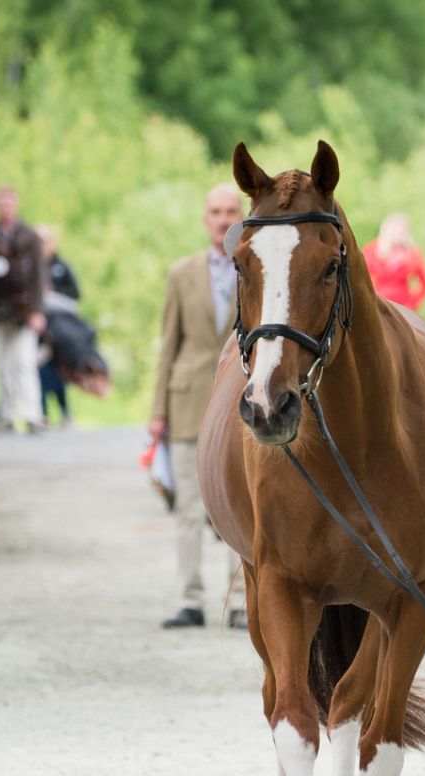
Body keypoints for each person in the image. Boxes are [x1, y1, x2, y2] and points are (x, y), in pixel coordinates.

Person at [148, 184, 248, 630]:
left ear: (242, 218)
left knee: (241, 507)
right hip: (187, 403)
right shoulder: (181, 273)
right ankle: (191, 599)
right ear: (205, 218)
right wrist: (158, 412)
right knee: (189, 507)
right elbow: (169, 346)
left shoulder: (257, 268)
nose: (223, 219)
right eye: (215, 212)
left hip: (243, 403)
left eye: (231, 211)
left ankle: (242, 600)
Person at [0, 186, 46, 434]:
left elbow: (38, 275)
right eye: (1, 202)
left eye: (9, 202)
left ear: (16, 204)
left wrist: (37, 311)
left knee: (24, 362)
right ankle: (8, 414)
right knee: (3, 365)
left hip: (22, 310)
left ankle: (32, 414)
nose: (5, 207)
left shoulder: (28, 237)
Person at [35, 224, 79, 427]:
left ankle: (64, 411)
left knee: (59, 371)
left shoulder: (61, 266)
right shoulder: (31, 268)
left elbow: (75, 295)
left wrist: (53, 293)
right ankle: (42, 412)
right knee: (39, 370)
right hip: (38, 329)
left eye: (45, 241)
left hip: (59, 327)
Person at [362, 213, 425, 312]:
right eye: (396, 230)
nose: (399, 234)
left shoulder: (413, 253)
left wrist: (412, 302)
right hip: (378, 302)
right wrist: (367, 296)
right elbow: (360, 274)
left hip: (403, 306)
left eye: (403, 231)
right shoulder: (373, 250)